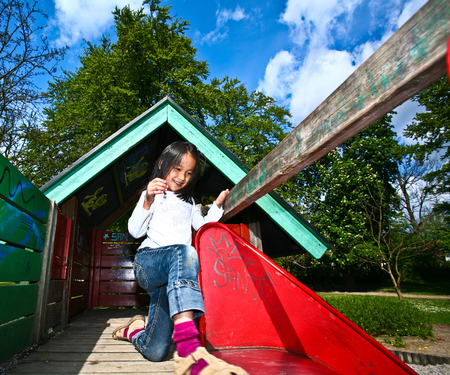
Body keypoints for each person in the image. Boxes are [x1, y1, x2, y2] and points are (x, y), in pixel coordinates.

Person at [112, 141, 248, 375]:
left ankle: (134, 330)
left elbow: (203, 226)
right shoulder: (153, 194)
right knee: (184, 252)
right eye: (177, 169)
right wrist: (147, 199)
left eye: (188, 173)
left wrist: (216, 206)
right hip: (148, 264)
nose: (181, 177)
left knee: (155, 352)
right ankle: (188, 346)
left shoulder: (190, 203)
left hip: (172, 281)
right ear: (164, 164)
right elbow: (135, 231)